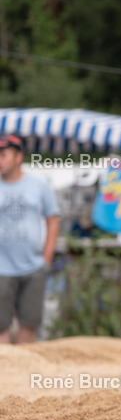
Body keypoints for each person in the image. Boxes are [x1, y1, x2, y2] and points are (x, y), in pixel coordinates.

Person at [0, 134, 59, 344]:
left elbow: (53, 219)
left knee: (29, 324)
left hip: (33, 266)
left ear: (18, 158)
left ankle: (24, 375)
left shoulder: (39, 184)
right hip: (1, 268)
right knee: (1, 326)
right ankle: (4, 375)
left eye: (3, 155)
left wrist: (47, 258)